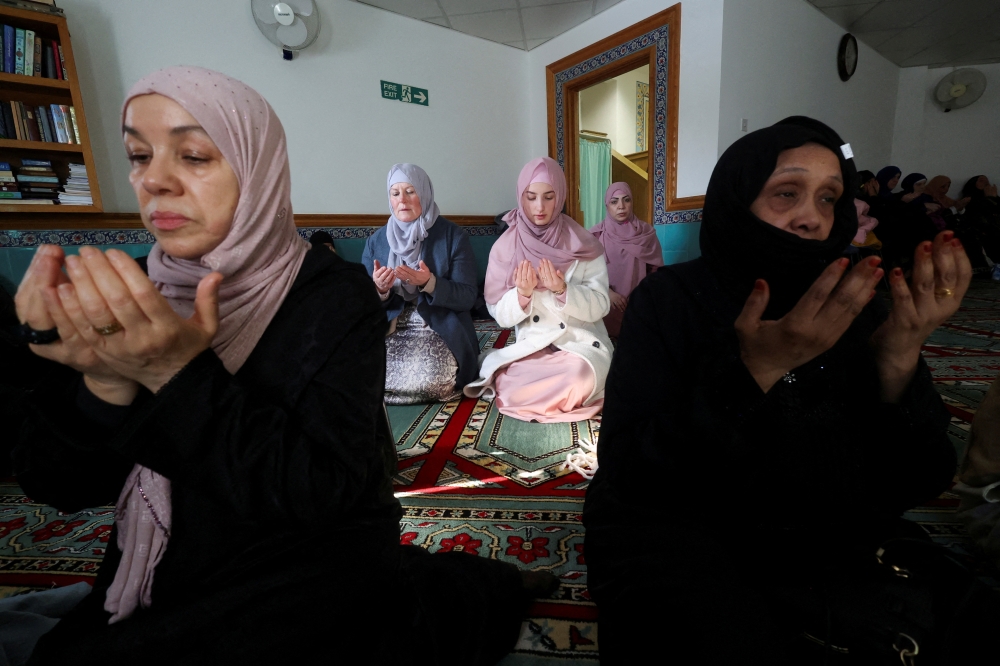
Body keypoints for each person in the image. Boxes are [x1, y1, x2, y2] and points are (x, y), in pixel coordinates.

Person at [12, 67, 546, 665]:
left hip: (307, 558)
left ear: (257, 167)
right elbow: (52, 482)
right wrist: (105, 382)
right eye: (138, 154)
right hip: (177, 553)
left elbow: (324, 492)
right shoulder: (131, 295)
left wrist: (171, 372)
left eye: (192, 155)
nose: (154, 180)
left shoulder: (329, 296)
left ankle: (465, 591)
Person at [583, 116, 971, 663]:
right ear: (737, 199)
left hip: (817, 528)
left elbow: (919, 479)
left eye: (830, 198)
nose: (812, 218)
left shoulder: (853, 300)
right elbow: (633, 471)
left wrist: (900, 354)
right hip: (679, 526)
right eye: (786, 193)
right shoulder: (670, 300)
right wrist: (754, 373)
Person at [464, 157, 612, 423]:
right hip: (533, 346)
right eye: (531, 197)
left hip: (576, 344)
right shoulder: (505, 248)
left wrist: (563, 290)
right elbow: (499, 314)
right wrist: (522, 295)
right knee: (512, 383)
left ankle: (554, 395)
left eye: (549, 197)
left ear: (561, 196)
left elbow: (602, 304)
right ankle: (554, 398)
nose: (539, 207)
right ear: (522, 197)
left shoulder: (584, 243)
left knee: (579, 376)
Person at [361, 164, 478, 404]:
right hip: (392, 327)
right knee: (366, 378)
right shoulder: (377, 241)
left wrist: (430, 283)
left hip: (438, 326)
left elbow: (467, 296)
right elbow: (359, 303)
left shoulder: (452, 236)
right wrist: (379, 291)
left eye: (410, 191)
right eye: (395, 193)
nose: (402, 200)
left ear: (424, 193)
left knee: (431, 382)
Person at [590, 182, 663, 338]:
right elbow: (586, 274)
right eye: (614, 201)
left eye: (626, 200)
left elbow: (656, 272)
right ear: (607, 205)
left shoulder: (646, 234)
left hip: (638, 306)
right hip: (605, 305)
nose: (621, 206)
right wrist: (607, 292)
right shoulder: (595, 236)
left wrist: (642, 295)